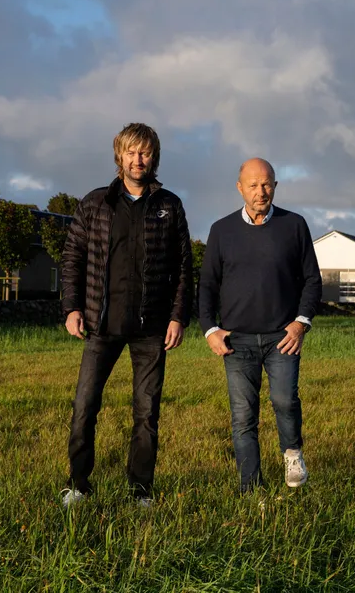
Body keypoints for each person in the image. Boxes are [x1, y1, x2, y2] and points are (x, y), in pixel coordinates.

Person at [60, 123, 193, 507]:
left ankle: (140, 491)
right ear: (119, 155)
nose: (138, 160)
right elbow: (73, 258)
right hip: (101, 326)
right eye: (131, 152)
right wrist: (71, 307)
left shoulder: (170, 205)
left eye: (146, 153)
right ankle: (79, 484)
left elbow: (183, 267)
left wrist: (178, 316)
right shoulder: (95, 203)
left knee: (147, 413)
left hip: (151, 329)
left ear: (154, 157)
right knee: (85, 405)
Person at [198, 158, 322, 494]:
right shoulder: (221, 230)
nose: (260, 191)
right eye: (252, 185)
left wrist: (300, 325)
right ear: (240, 188)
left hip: (283, 337)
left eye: (266, 184)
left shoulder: (293, 225)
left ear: (275, 186)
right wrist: (210, 329)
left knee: (284, 400)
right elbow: (207, 284)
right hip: (236, 341)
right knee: (243, 418)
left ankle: (292, 453)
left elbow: (312, 280)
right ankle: (251, 488)